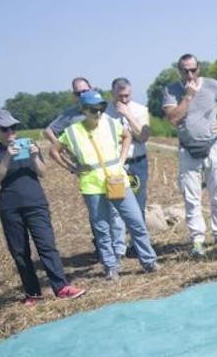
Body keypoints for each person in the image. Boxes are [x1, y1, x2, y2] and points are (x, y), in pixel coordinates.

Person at [55, 91, 160, 279]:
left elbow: (127, 136)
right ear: (84, 110)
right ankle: (110, 266)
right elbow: (54, 151)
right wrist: (72, 168)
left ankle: (149, 260)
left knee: (135, 221)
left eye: (101, 108)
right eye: (93, 110)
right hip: (92, 186)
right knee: (102, 228)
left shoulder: (111, 123)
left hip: (116, 180)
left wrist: (121, 159)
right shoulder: (72, 131)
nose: (98, 113)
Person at [0, 109, 84, 306]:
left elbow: (43, 172)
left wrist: (34, 157)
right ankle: (33, 293)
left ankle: (62, 287)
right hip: (10, 207)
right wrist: (7, 158)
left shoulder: (29, 145)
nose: (11, 132)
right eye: (5, 129)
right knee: (20, 252)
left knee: (47, 246)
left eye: (13, 127)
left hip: (36, 202)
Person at [162, 54, 217, 257]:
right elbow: (173, 119)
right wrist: (188, 95)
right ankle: (197, 241)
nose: (190, 74)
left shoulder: (212, 85)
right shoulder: (171, 90)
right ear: (179, 70)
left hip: (214, 146)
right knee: (192, 198)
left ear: (199, 68)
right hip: (187, 150)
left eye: (193, 69)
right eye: (185, 70)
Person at [45, 77, 126, 257]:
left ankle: (119, 248)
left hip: (111, 169)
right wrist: (68, 154)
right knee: (98, 215)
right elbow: (49, 131)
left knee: (116, 210)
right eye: (78, 93)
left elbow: (122, 133)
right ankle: (104, 249)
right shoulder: (70, 115)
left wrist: (120, 158)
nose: (82, 94)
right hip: (89, 174)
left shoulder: (103, 108)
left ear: (91, 88)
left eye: (84, 90)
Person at [106, 77, 151, 257]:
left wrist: (128, 115)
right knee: (116, 207)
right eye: (120, 96)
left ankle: (136, 245)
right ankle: (118, 247)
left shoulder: (140, 110)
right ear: (113, 94)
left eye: (127, 95)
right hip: (116, 166)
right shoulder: (105, 113)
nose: (124, 99)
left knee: (138, 205)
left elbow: (143, 136)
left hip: (137, 162)